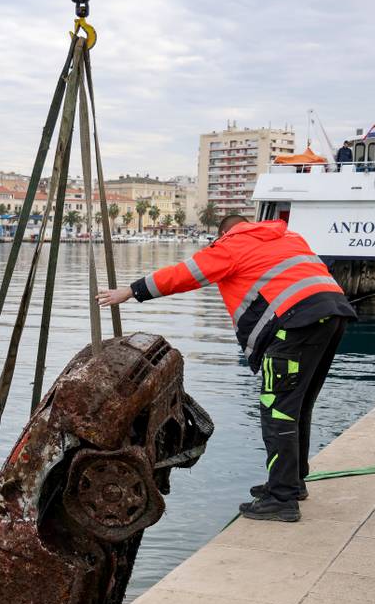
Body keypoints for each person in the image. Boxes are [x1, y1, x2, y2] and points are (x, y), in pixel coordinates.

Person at [97, 214, 356, 523]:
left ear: (222, 233)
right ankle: (291, 482)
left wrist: (131, 291)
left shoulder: (231, 244)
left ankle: (282, 498)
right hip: (333, 316)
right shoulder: (287, 238)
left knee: (277, 410)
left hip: (294, 324)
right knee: (297, 406)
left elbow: (184, 274)